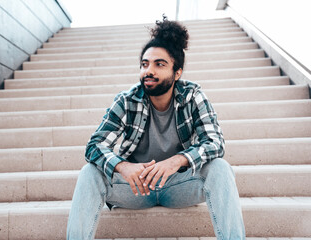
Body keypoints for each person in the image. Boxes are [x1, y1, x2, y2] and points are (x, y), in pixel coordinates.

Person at [66, 16, 246, 240]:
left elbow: (215, 143)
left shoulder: (193, 96)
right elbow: (94, 146)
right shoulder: (126, 100)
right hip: (136, 187)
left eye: (159, 64)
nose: (148, 71)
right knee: (89, 172)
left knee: (220, 168)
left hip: (179, 184)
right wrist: (122, 166)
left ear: (177, 72)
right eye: (144, 64)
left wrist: (177, 161)